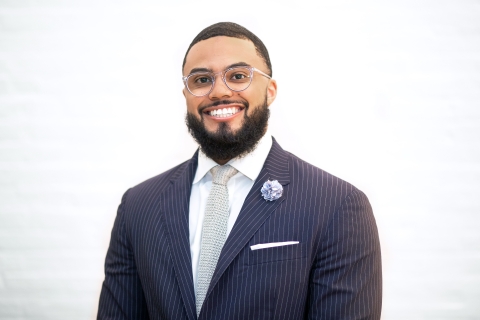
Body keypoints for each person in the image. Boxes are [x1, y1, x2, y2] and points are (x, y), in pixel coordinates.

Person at [97, 22, 382, 320]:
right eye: (202, 79)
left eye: (238, 76)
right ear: (186, 95)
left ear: (270, 91)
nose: (219, 91)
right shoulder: (138, 205)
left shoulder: (337, 204)